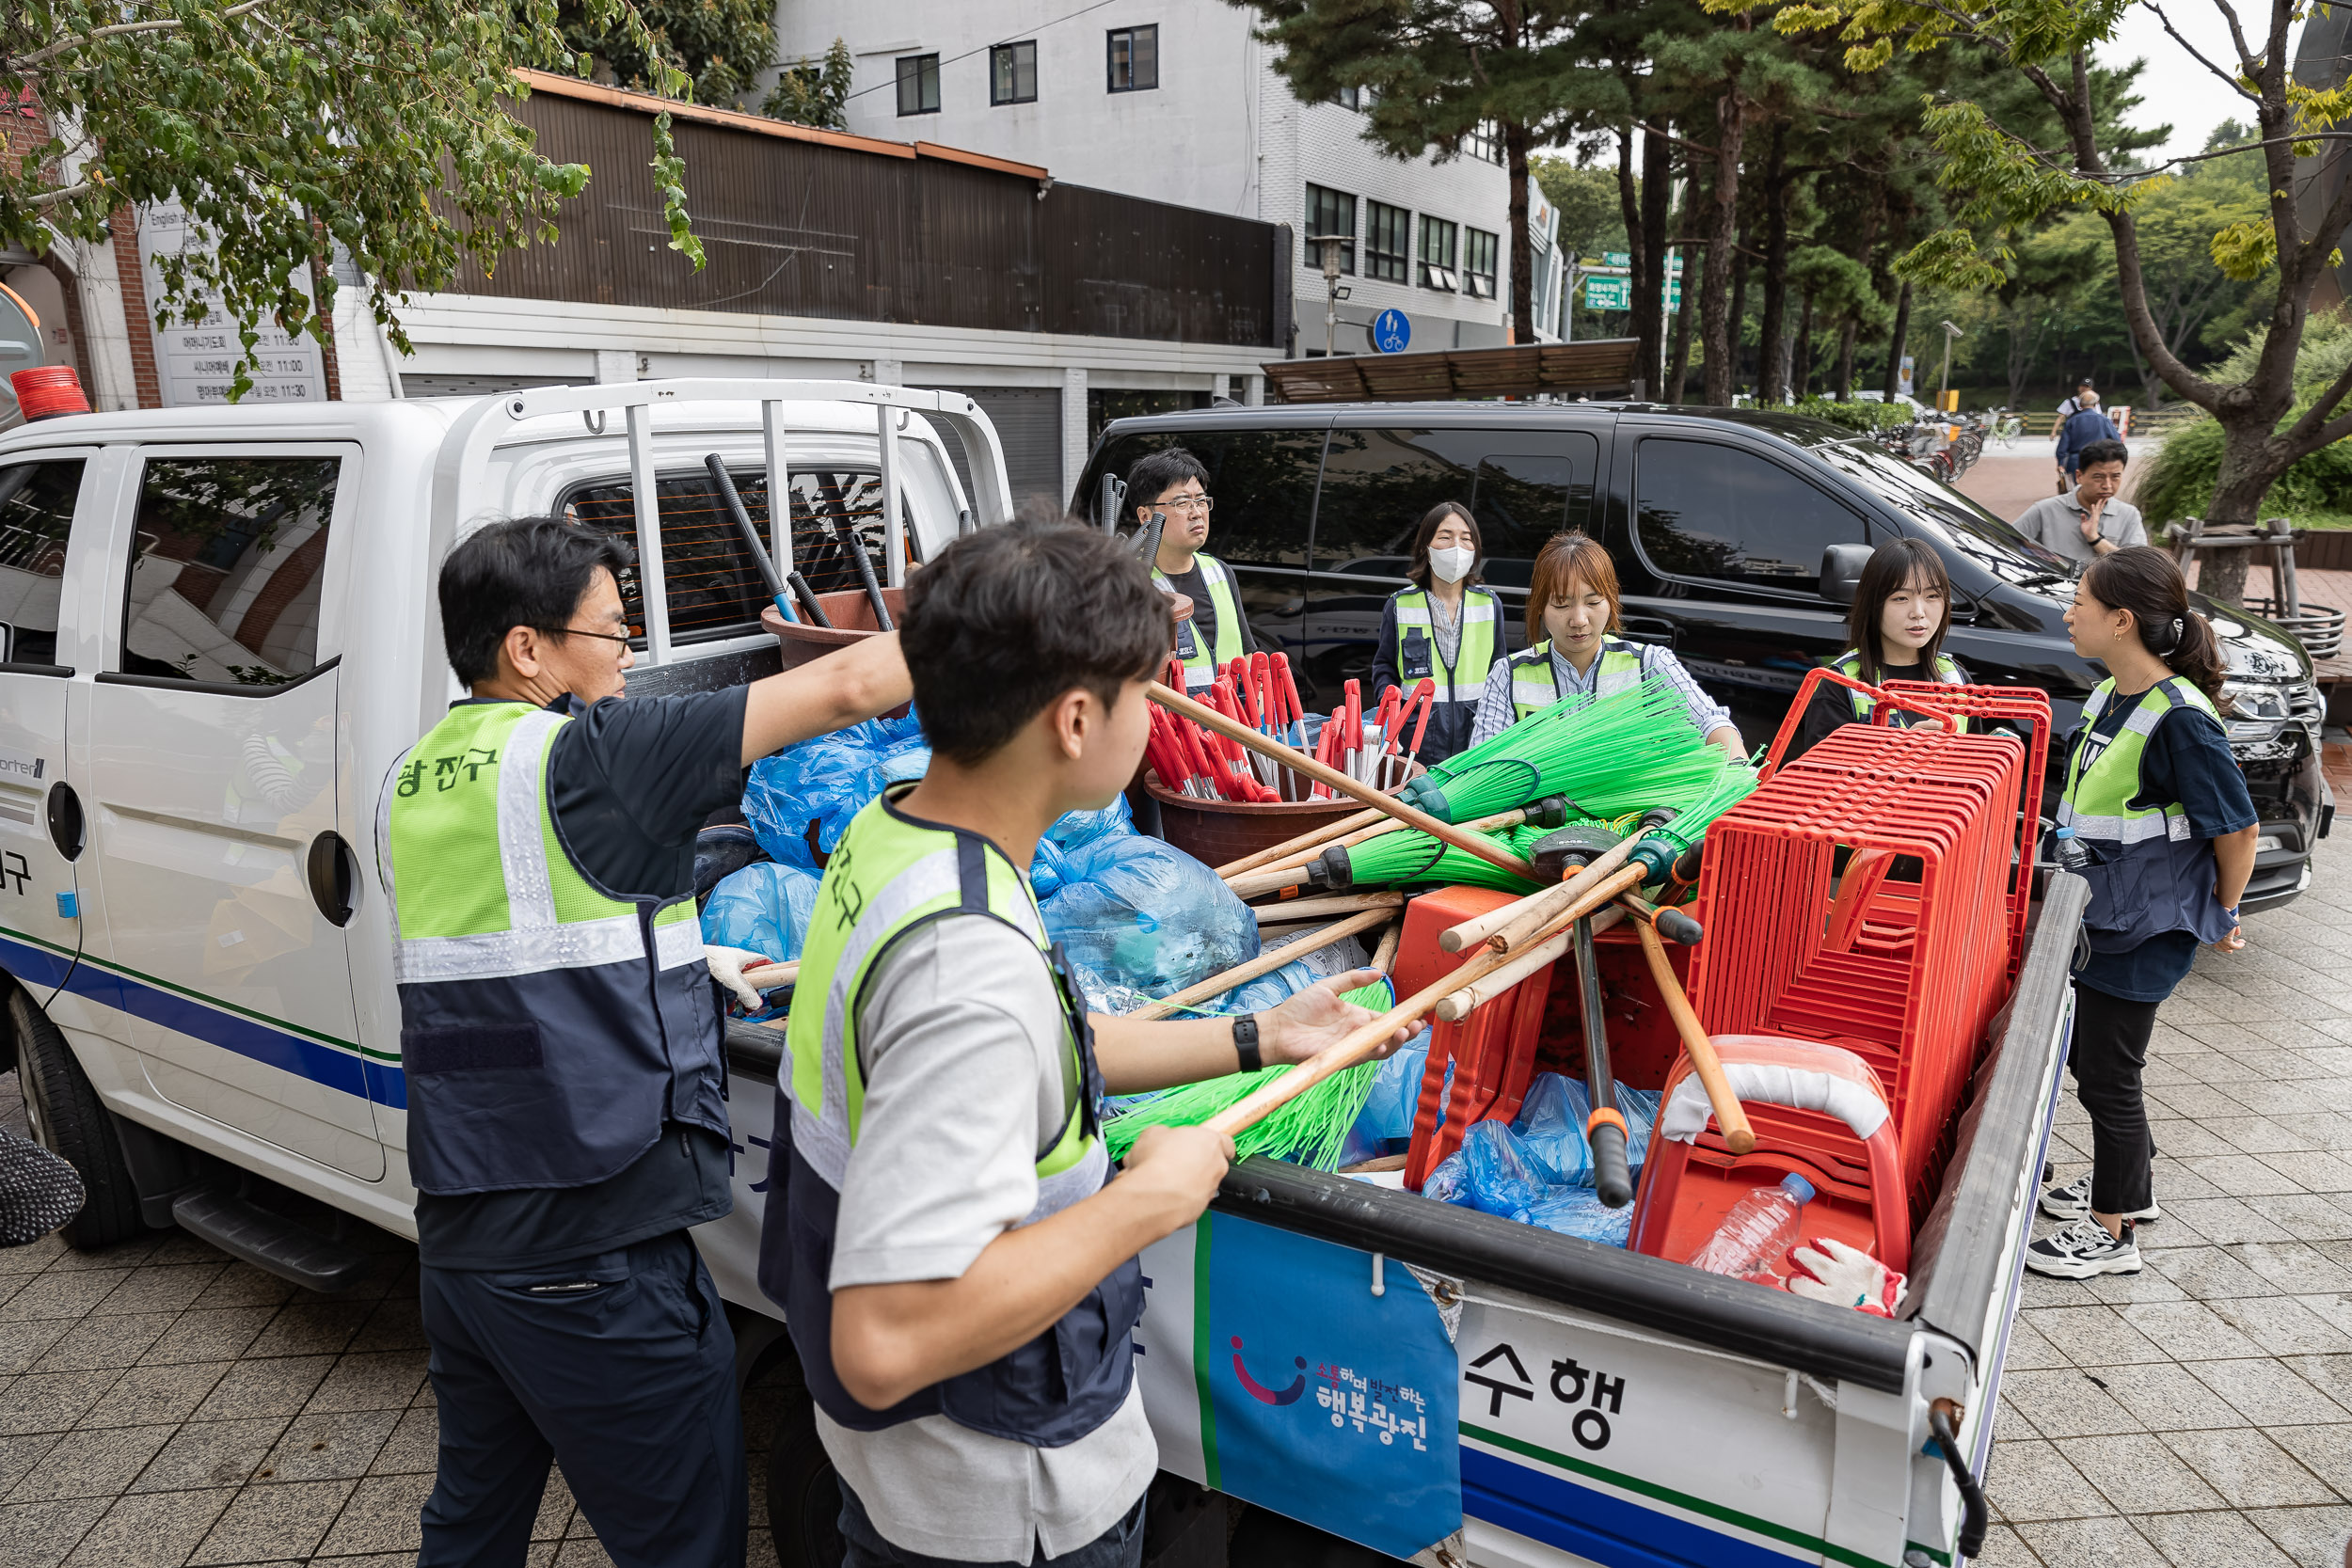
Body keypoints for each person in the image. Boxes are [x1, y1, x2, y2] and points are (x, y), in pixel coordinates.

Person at [759, 518, 1404, 1566]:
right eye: (1145, 693)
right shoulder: (961, 961)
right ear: (1072, 719)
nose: (1153, 717)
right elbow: (883, 1343)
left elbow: (1038, 1052)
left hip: (915, 1476)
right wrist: (1146, 1200)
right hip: (996, 1507)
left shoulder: (903, 833)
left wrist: (1256, 1035)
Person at [377, 516, 912, 1568]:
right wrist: (1044, 612)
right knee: (683, 1537)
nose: (629, 657)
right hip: (591, 1244)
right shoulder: (588, 757)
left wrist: (681, 962)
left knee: (473, 1523)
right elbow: (850, 688)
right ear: (528, 648)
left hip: (467, 1231)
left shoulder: (421, 769)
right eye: (614, 632)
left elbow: (515, 944)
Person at [2026, 546, 2258, 1279]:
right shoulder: (2110, 695)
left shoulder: (2181, 719)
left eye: (2081, 604)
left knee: (2106, 1074)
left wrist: (2222, 912)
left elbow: (2238, 826)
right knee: (2100, 1062)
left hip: (2144, 926)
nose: (2068, 614)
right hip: (2106, 914)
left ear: (2121, 621)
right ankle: (2132, 1184)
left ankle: (2112, 1230)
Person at [1470, 531, 1742, 755]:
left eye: (1592, 602)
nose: (1578, 620)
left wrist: (1737, 770)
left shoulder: (1649, 664)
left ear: (1610, 601)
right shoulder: (1508, 674)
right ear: (1541, 607)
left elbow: (1710, 721)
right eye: (1561, 604)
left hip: (1632, 817)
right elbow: (1482, 760)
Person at [1784, 538, 1970, 764]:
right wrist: (1902, 754)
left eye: (1932, 596)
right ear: (1873, 605)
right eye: (1901, 598)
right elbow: (1825, 780)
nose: (1919, 612)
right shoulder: (1839, 686)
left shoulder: (1956, 677)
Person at [1369, 500, 1506, 766]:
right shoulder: (1400, 604)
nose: (1457, 546)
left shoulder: (1489, 604)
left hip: (1477, 733)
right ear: (1425, 547)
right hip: (1415, 736)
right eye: (1445, 536)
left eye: (1466, 538)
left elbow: (1499, 669)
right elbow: (1384, 665)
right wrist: (1392, 707)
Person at [1131, 447, 1255, 691]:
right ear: (1146, 516)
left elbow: (1247, 654)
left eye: (1200, 501)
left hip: (1233, 724)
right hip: (1169, 727)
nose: (1197, 512)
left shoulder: (1219, 572)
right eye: (1182, 503)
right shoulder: (1130, 583)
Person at [2013, 439, 2145, 567]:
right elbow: (2007, 541)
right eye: (2098, 477)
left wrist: (2095, 539)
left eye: (2115, 476)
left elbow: (2138, 565)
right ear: (2079, 476)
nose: (2107, 485)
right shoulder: (2045, 510)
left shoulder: (2129, 515)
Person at [2054, 390, 2122, 491]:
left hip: (2076, 461)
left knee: (2079, 490)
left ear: (2080, 404)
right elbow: (2117, 442)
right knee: (2098, 488)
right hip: (2099, 459)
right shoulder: (2104, 420)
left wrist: (2060, 463)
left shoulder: (2072, 421)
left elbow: (2063, 446)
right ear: (2096, 404)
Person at [2053, 379, 2097, 493]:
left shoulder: (2072, 422)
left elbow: (2063, 445)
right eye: (2083, 386)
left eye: (2087, 387)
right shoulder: (2070, 403)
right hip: (2091, 451)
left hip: (2077, 453)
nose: (2084, 388)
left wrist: (2061, 461)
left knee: (2076, 481)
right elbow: (2060, 417)